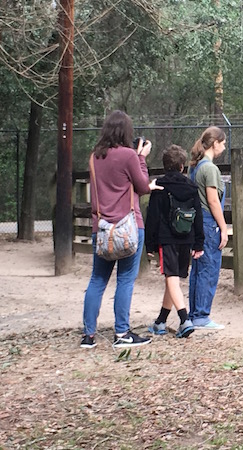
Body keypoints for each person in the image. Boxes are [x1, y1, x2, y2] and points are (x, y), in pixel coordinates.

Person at [80, 110, 154, 349]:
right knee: (125, 279)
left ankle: (88, 335)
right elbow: (142, 186)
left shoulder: (94, 157)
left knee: (97, 279)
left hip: (101, 229)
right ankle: (122, 333)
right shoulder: (128, 155)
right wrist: (141, 157)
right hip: (128, 227)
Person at [145, 145, 205, 338]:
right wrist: (199, 243)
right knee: (173, 280)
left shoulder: (160, 187)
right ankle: (160, 322)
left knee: (171, 278)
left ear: (165, 166)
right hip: (186, 239)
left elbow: (152, 217)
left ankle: (184, 319)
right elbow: (198, 217)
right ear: (182, 166)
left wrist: (150, 244)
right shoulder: (191, 187)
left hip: (167, 239)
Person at [188, 126, 228, 330]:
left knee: (197, 268)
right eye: (223, 143)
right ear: (215, 144)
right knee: (208, 269)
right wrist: (223, 227)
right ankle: (202, 315)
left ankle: (194, 313)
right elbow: (213, 201)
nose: (224, 146)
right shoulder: (210, 169)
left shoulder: (195, 167)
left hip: (196, 222)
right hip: (208, 223)